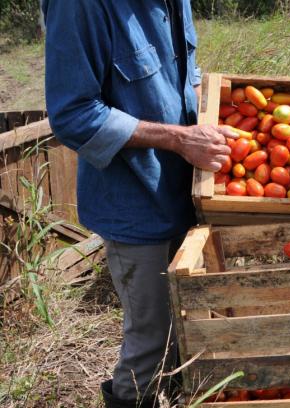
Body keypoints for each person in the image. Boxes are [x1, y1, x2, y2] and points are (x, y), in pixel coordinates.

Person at [43, 1, 237, 406]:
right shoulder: (81, 7)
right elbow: (73, 116)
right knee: (151, 342)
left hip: (187, 190)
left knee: (193, 324)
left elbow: (189, 75)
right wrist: (179, 139)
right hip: (134, 203)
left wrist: (204, 124)